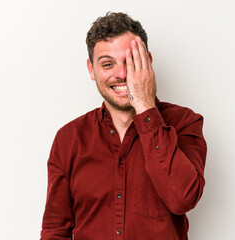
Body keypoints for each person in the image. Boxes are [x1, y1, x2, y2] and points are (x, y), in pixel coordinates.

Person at [40, 12, 207, 240]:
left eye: (130, 62)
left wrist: (146, 107)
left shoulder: (186, 123)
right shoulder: (68, 139)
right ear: (91, 70)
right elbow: (55, 231)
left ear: (147, 61)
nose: (121, 74)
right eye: (108, 64)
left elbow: (182, 199)